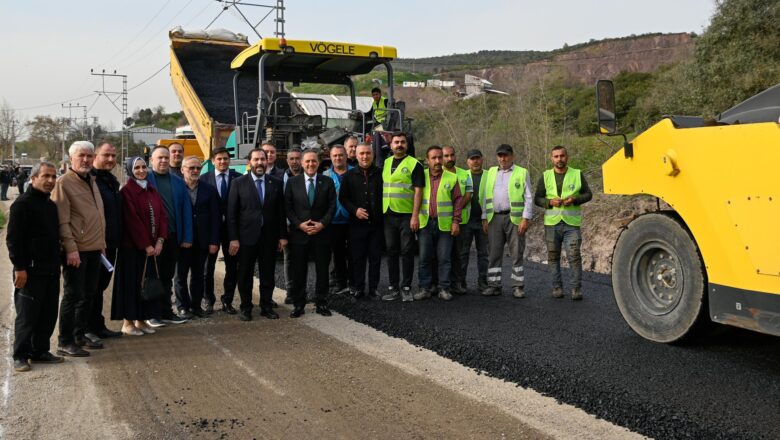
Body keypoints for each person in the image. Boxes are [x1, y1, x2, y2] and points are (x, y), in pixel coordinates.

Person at [51, 141, 106, 356]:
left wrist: (101, 244)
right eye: (81, 155)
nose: (85, 159)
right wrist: (71, 248)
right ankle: (65, 341)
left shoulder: (91, 181)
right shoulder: (64, 183)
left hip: (94, 248)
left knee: (88, 294)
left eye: (89, 156)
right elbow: (62, 221)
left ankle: (79, 334)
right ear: (71, 158)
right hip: (77, 250)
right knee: (73, 295)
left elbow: (97, 216)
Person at [8, 162, 63, 372]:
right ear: (33, 179)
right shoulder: (22, 204)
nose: (50, 181)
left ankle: (40, 350)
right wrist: (19, 267)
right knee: (27, 315)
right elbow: (13, 240)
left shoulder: (50, 206)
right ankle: (20, 355)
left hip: (50, 269)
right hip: (29, 271)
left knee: (48, 313)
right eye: (45, 176)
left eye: (53, 176)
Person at [227, 149, 287, 321]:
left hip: (269, 237)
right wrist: (233, 238)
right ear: (250, 162)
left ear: (267, 161)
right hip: (246, 238)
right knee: (245, 274)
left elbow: (280, 212)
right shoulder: (238, 183)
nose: (260, 162)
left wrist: (282, 236)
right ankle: (246, 307)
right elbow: (232, 214)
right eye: (256, 159)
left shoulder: (275, 182)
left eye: (263, 159)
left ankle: (266, 306)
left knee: (268, 274)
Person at [111, 157, 167, 336]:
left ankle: (141, 320)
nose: (142, 170)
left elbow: (162, 216)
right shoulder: (127, 192)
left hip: (151, 249)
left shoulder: (151, 190)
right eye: (137, 168)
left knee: (147, 285)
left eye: (144, 167)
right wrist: (146, 245)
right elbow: (132, 221)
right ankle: (128, 322)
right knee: (132, 285)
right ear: (130, 170)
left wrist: (160, 240)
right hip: (133, 249)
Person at [534, 145, 592, 300]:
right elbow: (537, 199)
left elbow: (588, 194)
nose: (559, 159)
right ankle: (557, 287)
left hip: (571, 223)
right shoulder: (545, 176)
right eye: (556, 156)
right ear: (551, 158)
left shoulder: (577, 174)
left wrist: (575, 199)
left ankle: (576, 289)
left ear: (567, 157)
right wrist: (549, 202)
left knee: (574, 256)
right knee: (553, 257)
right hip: (552, 223)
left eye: (562, 156)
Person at [285, 149, 336, 317]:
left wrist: (322, 224)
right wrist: (299, 225)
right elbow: (288, 207)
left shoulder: (327, 182)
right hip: (300, 235)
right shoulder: (292, 183)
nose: (310, 164)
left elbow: (331, 207)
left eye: (313, 161)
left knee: (322, 270)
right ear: (301, 162)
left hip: (322, 234)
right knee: (299, 270)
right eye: (307, 161)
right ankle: (299, 304)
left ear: (318, 162)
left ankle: (321, 302)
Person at [479, 144, 534, 298]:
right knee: (494, 253)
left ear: (512, 156)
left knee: (516, 253)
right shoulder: (490, 173)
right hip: (494, 218)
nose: (503, 158)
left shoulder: (521, 172)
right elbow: (484, 196)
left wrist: (525, 218)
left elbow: (528, 197)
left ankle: (518, 286)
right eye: (500, 155)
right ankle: (494, 285)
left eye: (506, 155)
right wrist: (484, 217)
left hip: (514, 218)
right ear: (497, 157)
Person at [146, 146, 193, 325]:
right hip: (152, 239)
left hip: (172, 236)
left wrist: (187, 237)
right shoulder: (145, 179)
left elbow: (186, 210)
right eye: (160, 158)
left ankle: (166, 311)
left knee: (167, 277)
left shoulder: (178, 182)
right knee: (152, 277)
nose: (164, 161)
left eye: (166, 158)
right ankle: (152, 314)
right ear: (152, 160)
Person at [413, 146, 463, 301]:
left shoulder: (451, 178)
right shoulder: (421, 177)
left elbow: (458, 201)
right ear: (427, 160)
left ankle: (444, 288)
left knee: (444, 258)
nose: (437, 161)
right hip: (425, 224)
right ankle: (425, 288)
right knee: (424, 258)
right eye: (433, 158)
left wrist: (456, 221)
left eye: (440, 157)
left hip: (445, 225)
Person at [175, 157, 220, 317]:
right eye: (191, 168)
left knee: (199, 275)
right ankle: (182, 306)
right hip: (181, 241)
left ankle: (196, 306)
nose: (195, 171)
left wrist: (214, 241)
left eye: (198, 168)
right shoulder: (177, 188)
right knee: (180, 275)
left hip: (202, 240)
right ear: (182, 169)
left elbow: (216, 217)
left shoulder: (209, 190)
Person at [381, 132, 423, 302]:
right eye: (396, 142)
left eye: (402, 142)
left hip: (406, 215)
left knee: (407, 251)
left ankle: (406, 287)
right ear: (391, 145)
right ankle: (393, 288)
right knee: (391, 251)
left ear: (407, 145)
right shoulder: (386, 162)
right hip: (388, 214)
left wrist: (415, 215)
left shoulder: (414, 164)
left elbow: (418, 191)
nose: (399, 145)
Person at [339, 143, 383, 300]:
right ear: (356, 156)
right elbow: (342, 198)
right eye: (362, 153)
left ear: (373, 155)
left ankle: (373, 289)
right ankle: (358, 287)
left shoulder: (380, 174)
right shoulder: (349, 176)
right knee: (357, 258)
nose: (365, 156)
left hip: (376, 225)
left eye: (368, 153)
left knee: (375, 258)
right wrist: (354, 210)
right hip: (356, 226)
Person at [201, 148, 242, 314]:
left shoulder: (238, 179)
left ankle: (227, 301)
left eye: (225, 159)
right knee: (207, 268)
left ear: (229, 160)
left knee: (232, 267)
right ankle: (208, 300)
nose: (223, 162)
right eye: (219, 159)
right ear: (213, 161)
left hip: (232, 231)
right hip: (211, 231)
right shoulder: (204, 179)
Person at [89, 142, 123, 340]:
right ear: (95, 156)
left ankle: (97, 325)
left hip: (111, 244)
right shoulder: (90, 180)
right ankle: (86, 328)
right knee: (90, 288)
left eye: (113, 155)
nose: (110, 159)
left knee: (100, 287)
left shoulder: (111, 180)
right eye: (106, 155)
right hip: (95, 245)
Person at [442, 145, 473, 295]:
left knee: (460, 254)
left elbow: (468, 194)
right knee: (443, 255)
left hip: (462, 222)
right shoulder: (437, 174)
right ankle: (442, 284)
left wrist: (457, 210)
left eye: (452, 155)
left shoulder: (464, 174)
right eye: (446, 156)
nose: (450, 158)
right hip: (442, 222)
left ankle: (459, 283)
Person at [323, 145, 352, 295]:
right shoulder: (326, 175)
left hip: (352, 221)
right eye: (334, 156)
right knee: (338, 255)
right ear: (330, 157)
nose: (338, 158)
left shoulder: (355, 173)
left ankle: (355, 283)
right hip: (333, 222)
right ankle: (341, 284)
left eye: (340, 155)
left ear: (346, 156)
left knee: (354, 254)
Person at [459, 149, 489, 293]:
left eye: (477, 158)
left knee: (483, 253)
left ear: (482, 159)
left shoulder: (490, 175)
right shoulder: (462, 176)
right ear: (467, 161)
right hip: (466, 221)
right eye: (472, 159)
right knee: (463, 252)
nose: (475, 161)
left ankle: (482, 281)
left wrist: (488, 218)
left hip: (483, 220)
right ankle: (461, 281)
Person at [282, 148, 303, 304]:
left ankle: (303, 291)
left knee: (303, 260)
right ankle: (290, 291)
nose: (295, 161)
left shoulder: (309, 176)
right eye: (292, 158)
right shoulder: (281, 178)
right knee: (289, 259)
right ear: (287, 160)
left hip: (306, 226)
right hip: (289, 226)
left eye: (297, 158)